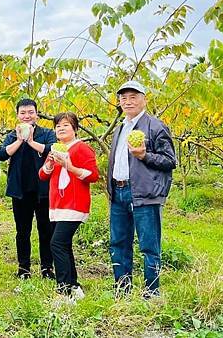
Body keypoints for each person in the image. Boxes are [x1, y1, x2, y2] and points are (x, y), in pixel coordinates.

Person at [107, 81, 176, 298]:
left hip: (144, 194)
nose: (127, 101)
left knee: (148, 245)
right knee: (118, 243)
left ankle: (151, 293)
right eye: (123, 98)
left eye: (133, 97)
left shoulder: (155, 126)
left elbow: (169, 160)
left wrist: (144, 155)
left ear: (144, 99)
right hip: (118, 192)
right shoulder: (120, 128)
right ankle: (122, 289)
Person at [39, 112, 99, 301]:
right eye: (58, 126)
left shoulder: (82, 149)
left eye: (66, 125)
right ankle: (74, 287)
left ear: (75, 128)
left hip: (74, 205)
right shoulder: (56, 149)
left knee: (56, 244)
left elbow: (93, 176)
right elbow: (42, 175)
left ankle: (63, 291)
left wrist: (69, 166)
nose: (61, 128)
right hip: (57, 205)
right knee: (64, 245)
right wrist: (49, 163)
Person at [0, 98, 57, 279]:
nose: (27, 116)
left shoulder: (47, 133)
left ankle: (47, 268)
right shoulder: (11, 135)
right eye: (22, 113)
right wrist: (19, 140)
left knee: (46, 230)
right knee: (22, 232)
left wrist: (30, 140)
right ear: (17, 115)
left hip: (44, 191)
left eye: (30, 112)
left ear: (37, 114)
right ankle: (24, 269)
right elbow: (1, 154)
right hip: (20, 191)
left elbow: (52, 149)